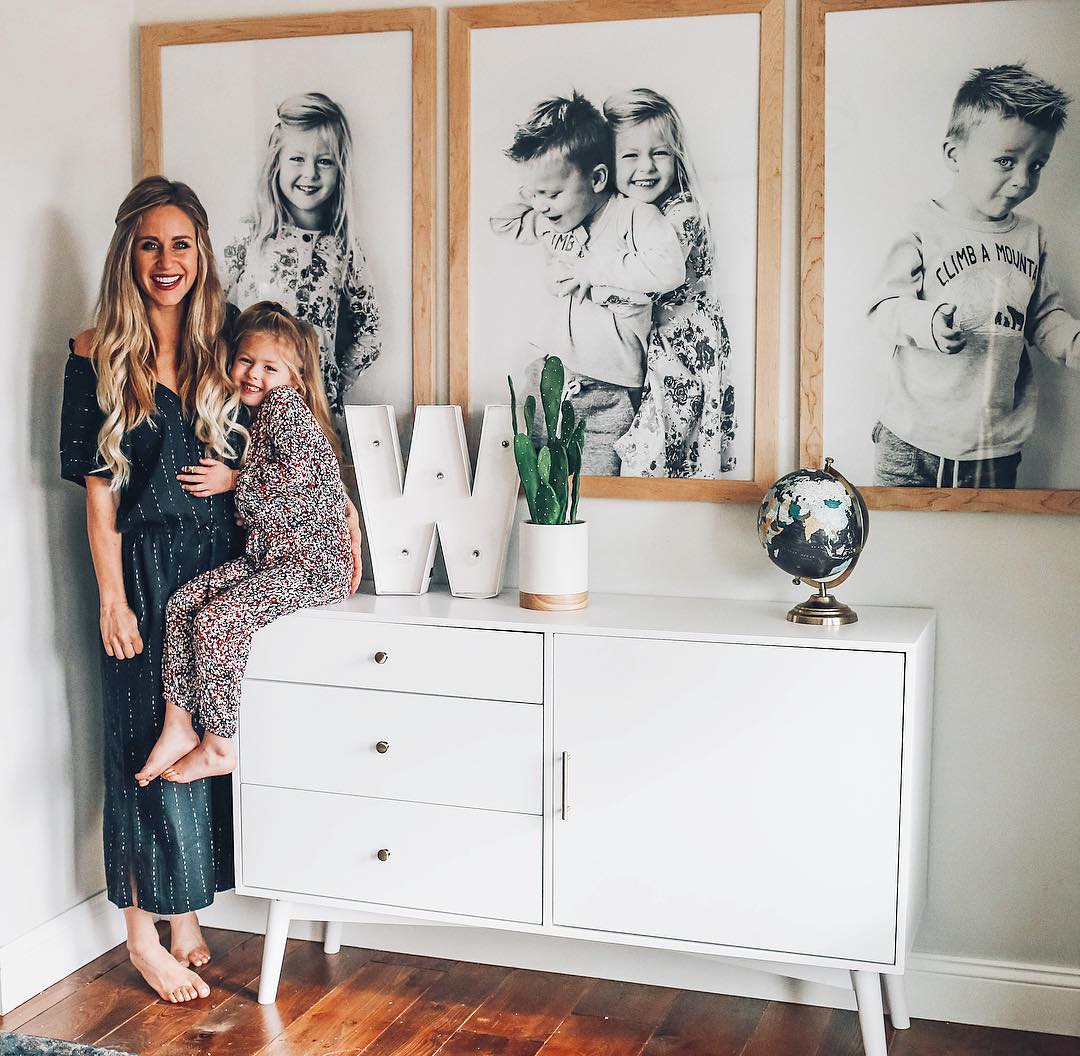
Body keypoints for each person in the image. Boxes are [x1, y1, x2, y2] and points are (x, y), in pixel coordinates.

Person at [59, 177, 247, 1005]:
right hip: (143, 571)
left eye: (180, 244)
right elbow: (98, 495)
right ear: (126, 255)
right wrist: (112, 598)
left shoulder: (229, 344)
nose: (166, 261)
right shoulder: (93, 353)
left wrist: (245, 476)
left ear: (201, 251)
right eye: (148, 245)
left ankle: (186, 911)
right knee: (142, 746)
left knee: (205, 741)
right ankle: (143, 938)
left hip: (223, 572)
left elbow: (291, 435)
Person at [135, 303, 353, 786]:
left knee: (217, 623)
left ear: (295, 379)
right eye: (246, 361)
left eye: (270, 367)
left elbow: (299, 486)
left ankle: (219, 744)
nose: (254, 374)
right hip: (270, 560)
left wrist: (234, 480)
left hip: (312, 566)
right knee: (184, 604)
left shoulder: (284, 407)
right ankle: (178, 724)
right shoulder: (258, 418)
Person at [867, 63, 1080, 488]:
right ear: (954, 154)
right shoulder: (921, 225)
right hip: (911, 440)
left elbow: (1044, 317)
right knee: (900, 531)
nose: (1022, 180)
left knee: (981, 533)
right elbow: (884, 308)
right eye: (1006, 161)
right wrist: (928, 322)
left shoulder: (1031, 237)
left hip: (993, 449)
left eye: (1037, 165)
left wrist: (1072, 341)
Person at [491, 91, 685, 475]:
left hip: (608, 390)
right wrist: (538, 188)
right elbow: (503, 223)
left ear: (597, 178)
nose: (543, 205)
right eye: (537, 195)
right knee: (531, 485)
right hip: (547, 376)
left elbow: (670, 270)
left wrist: (593, 268)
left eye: (553, 194)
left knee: (595, 492)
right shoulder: (554, 220)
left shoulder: (635, 215)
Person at [222, 91, 381, 436]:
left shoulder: (343, 247)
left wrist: (328, 381)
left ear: (340, 169)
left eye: (324, 161)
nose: (309, 173)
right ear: (277, 162)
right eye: (297, 158)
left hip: (311, 414)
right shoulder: (251, 236)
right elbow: (209, 311)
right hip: (244, 410)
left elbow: (370, 331)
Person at [604, 88, 737, 479]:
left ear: (676, 154)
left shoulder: (682, 210)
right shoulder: (633, 210)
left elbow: (650, 279)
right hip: (663, 346)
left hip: (683, 350)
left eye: (658, 152)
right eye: (630, 155)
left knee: (655, 459)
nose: (645, 167)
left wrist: (591, 276)